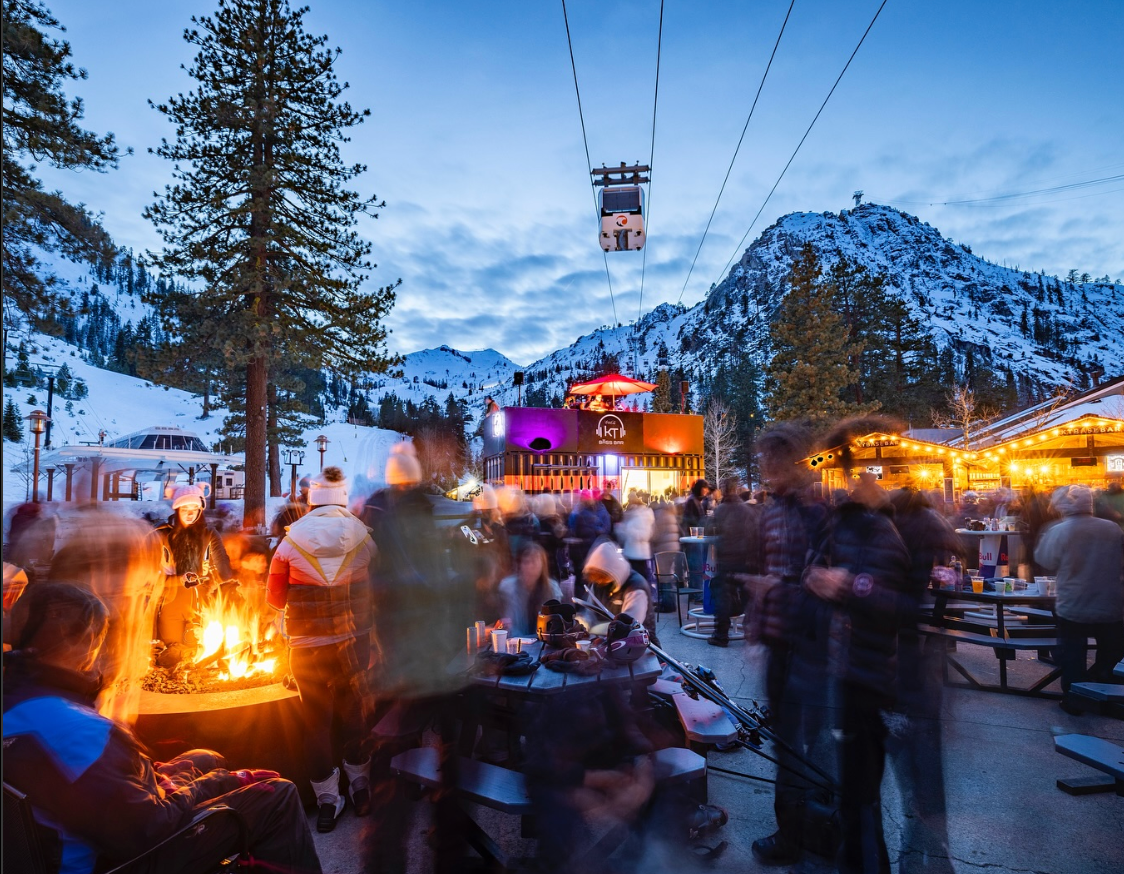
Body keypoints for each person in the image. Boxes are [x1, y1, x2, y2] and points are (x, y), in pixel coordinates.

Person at [3, 582, 322, 874]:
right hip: (121, 860)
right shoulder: (78, 728)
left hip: (87, 825)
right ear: (87, 640)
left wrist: (165, 775)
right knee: (278, 796)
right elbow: (150, 827)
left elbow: (91, 781)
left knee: (205, 757)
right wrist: (211, 784)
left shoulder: (16, 697)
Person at [267, 465, 376, 832]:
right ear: (342, 498)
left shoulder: (290, 541)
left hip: (306, 647)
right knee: (354, 714)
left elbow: (275, 598)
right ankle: (360, 787)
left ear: (311, 499)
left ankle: (328, 800)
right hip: (353, 642)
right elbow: (377, 587)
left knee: (315, 725)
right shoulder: (363, 536)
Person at [747, 422, 831, 867]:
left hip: (810, 648)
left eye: (771, 458)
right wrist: (756, 620)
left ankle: (806, 836)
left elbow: (825, 584)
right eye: (763, 458)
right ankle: (798, 832)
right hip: (780, 642)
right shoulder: (771, 511)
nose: (765, 466)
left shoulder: (816, 512)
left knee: (806, 746)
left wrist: (777, 589)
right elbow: (770, 569)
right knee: (787, 743)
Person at [1036, 484, 1124, 714]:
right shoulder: (1112, 528)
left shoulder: (1059, 530)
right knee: (1111, 652)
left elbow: (1046, 559)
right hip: (1111, 602)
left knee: (1073, 653)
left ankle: (1075, 699)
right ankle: (1103, 690)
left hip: (1073, 603)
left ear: (1062, 505)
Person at [153, 484, 234, 666]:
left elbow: (222, 565)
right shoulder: (162, 535)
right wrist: (178, 580)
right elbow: (151, 575)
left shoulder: (208, 534)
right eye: (185, 509)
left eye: (195, 509)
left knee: (199, 653)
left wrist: (223, 581)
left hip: (201, 602)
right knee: (172, 655)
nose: (190, 514)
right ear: (177, 509)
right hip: (171, 602)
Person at [708, 476, 763, 647]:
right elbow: (755, 533)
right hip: (745, 559)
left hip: (726, 558)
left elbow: (710, 530)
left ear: (725, 490)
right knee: (747, 596)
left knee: (722, 596)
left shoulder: (720, 510)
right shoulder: (747, 510)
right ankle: (751, 634)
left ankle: (721, 635)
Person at [580, 540, 657, 645]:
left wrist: (597, 629)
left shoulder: (635, 587)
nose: (598, 581)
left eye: (601, 576)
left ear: (611, 570)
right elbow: (590, 613)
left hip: (640, 642)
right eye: (595, 577)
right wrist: (584, 622)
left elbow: (629, 624)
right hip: (606, 639)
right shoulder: (598, 584)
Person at [497, 542, 562, 637]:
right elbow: (507, 623)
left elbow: (554, 626)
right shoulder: (508, 588)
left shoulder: (553, 589)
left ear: (543, 565)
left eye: (534, 562)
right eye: (526, 562)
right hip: (514, 641)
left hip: (544, 642)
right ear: (519, 564)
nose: (530, 567)